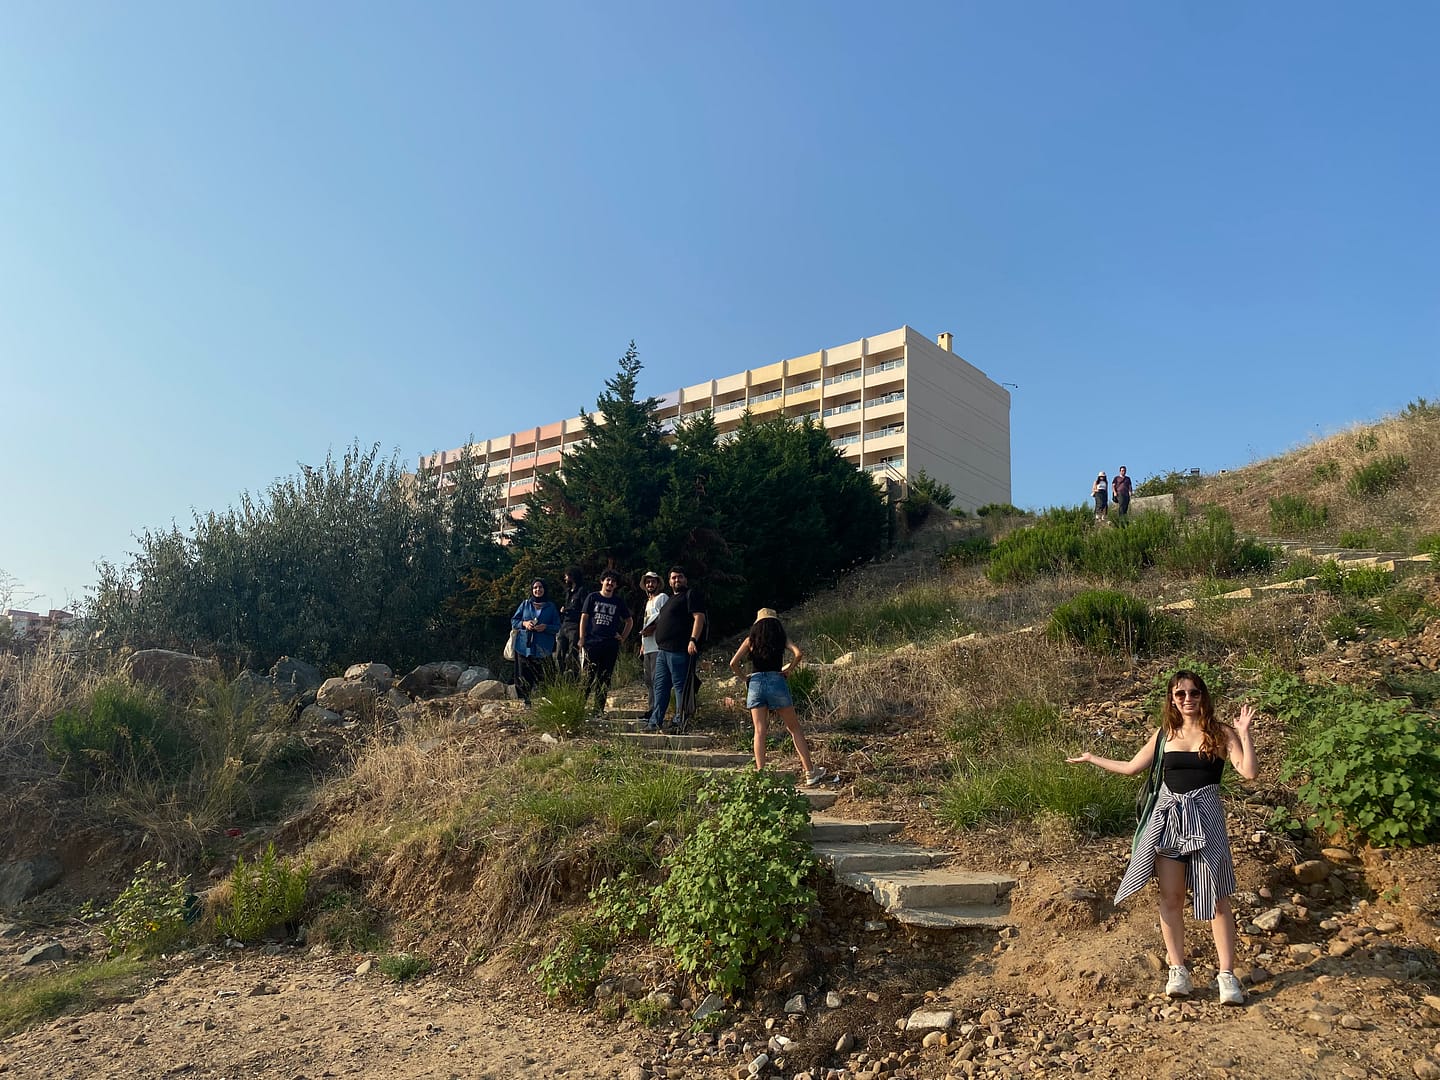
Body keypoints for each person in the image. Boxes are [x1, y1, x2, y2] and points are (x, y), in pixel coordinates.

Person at [1066, 671, 1257, 1006]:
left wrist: (1244, 734)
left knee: (1216, 898)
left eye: (1194, 693)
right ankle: (1177, 969)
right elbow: (1131, 767)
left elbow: (1249, 772)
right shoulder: (1165, 734)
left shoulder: (1221, 732)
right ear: (1172, 699)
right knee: (1171, 897)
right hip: (1169, 821)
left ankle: (1226, 975)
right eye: (1180, 694)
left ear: (1203, 695)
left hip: (1207, 820)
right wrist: (1092, 758)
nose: (1187, 699)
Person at [730, 608, 825, 786]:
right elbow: (798, 654)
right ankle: (810, 772)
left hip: (756, 683)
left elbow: (733, 663)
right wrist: (789, 670)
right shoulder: (781, 638)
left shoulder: (750, 640)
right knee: (794, 728)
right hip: (776, 681)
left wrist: (745, 679)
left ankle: (761, 775)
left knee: (759, 731)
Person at [647, 565, 706, 732]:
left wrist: (693, 639)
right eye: (673, 577)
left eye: (680, 577)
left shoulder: (690, 595)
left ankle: (680, 721)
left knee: (681, 687)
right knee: (660, 687)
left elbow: (699, 617)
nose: (677, 580)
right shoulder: (670, 599)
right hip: (662, 650)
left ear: (685, 579)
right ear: (669, 581)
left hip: (679, 649)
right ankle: (654, 722)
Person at [578, 570, 632, 716]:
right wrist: (582, 638)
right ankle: (579, 708)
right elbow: (584, 618)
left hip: (610, 645)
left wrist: (623, 637)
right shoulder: (592, 597)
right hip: (592, 642)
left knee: (604, 678)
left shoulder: (618, 601)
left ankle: (598, 710)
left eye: (613, 581)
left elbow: (629, 621)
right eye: (608, 580)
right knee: (587, 677)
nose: (610, 583)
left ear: (616, 585)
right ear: (602, 581)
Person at [509, 578, 559, 705]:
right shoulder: (525, 604)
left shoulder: (551, 607)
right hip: (524, 646)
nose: (538, 590)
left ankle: (546, 703)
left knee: (546, 676)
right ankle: (525, 702)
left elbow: (557, 626)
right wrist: (525, 623)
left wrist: (546, 627)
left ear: (544, 589)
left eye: (540, 587)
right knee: (523, 675)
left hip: (544, 647)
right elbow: (514, 621)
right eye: (535, 587)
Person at [637, 570, 669, 714]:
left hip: (657, 645)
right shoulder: (648, 602)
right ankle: (651, 709)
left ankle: (657, 711)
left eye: (653, 582)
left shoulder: (662, 597)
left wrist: (653, 628)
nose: (650, 584)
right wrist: (642, 645)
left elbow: (665, 618)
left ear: (658, 584)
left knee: (657, 680)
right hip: (648, 646)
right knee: (649, 680)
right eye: (648, 582)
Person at [555, 567, 587, 672]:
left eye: (567, 576)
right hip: (564, 624)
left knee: (572, 655)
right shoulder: (568, 591)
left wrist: (569, 610)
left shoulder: (582, 591)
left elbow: (584, 610)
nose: (565, 578)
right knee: (559, 654)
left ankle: (572, 676)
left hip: (574, 625)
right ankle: (560, 676)